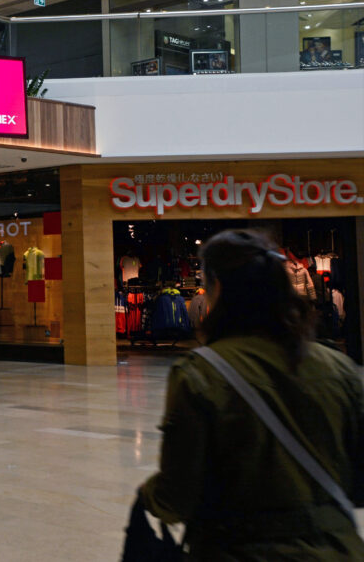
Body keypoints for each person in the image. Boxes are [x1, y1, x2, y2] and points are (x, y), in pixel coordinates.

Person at [140, 229, 364, 560]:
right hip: (338, 549)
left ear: (218, 287)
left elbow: (177, 496)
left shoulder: (201, 373)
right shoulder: (339, 367)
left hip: (236, 549)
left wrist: (147, 495)